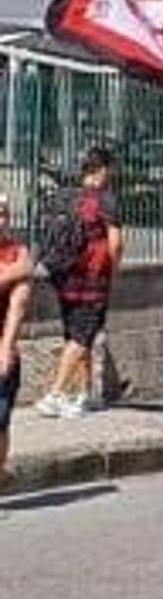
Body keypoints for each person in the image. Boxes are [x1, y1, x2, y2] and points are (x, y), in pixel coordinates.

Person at [35, 147, 122, 419]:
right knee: (83, 335)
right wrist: (114, 272)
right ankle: (55, 394)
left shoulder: (63, 196)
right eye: (111, 169)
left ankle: (85, 395)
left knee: (76, 334)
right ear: (103, 169)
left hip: (63, 275)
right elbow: (116, 243)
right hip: (92, 278)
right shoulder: (106, 200)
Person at [0, 196, 33, 488]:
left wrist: (5, 347)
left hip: (2, 347)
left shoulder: (17, 251)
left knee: (0, 420)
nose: (1, 220)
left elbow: (19, 304)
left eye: (4, 214)